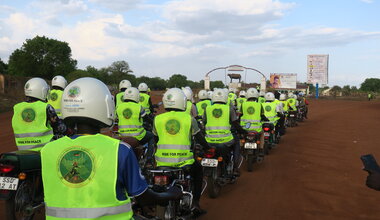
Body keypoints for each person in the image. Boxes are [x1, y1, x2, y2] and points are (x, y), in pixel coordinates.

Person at [41, 77, 180, 220]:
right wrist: (169, 194)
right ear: (105, 106)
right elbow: (143, 198)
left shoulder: (47, 151)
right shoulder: (119, 150)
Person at [153, 88, 209, 216]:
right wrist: (207, 147)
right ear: (182, 102)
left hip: (162, 163)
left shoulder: (157, 119)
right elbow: (200, 138)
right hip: (184, 162)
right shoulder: (189, 119)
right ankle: (195, 203)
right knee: (198, 172)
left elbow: (156, 140)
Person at [12, 78, 69, 151]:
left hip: (23, 150)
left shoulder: (17, 108)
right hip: (44, 150)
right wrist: (70, 131)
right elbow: (60, 128)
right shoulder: (46, 107)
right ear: (41, 92)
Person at [203, 88, 246, 176]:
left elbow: (204, 122)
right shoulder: (229, 109)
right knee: (237, 143)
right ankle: (235, 168)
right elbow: (235, 123)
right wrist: (243, 131)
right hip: (225, 140)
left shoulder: (207, 109)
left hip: (209, 140)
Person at [115, 87, 154, 164]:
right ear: (137, 96)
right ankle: (149, 159)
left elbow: (116, 119)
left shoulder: (119, 107)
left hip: (123, 136)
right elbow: (146, 119)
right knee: (151, 136)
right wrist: (153, 123)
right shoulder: (139, 107)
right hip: (138, 136)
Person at [239, 88, 267, 158]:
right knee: (262, 134)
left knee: (240, 135)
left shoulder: (243, 104)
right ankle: (261, 148)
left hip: (245, 128)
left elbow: (240, 115)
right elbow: (262, 115)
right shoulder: (259, 105)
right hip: (256, 129)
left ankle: (241, 146)